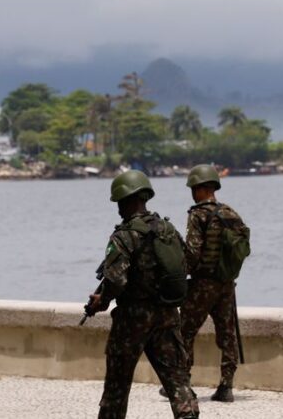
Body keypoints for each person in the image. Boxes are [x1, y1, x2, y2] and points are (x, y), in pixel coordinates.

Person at [85, 170, 199, 419]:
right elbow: (186, 263)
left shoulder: (124, 235)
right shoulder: (167, 229)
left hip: (132, 319)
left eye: (119, 202)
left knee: (117, 386)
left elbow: (116, 279)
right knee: (177, 382)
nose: (117, 208)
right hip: (168, 315)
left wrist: (101, 301)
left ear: (126, 200)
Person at [175, 164, 251, 403]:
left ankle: (182, 383)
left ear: (200, 189)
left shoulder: (198, 214)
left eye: (193, 188)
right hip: (227, 284)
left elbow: (194, 252)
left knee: (184, 332)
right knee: (227, 335)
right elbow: (243, 248)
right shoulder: (231, 213)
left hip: (202, 284)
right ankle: (226, 386)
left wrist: (180, 274)